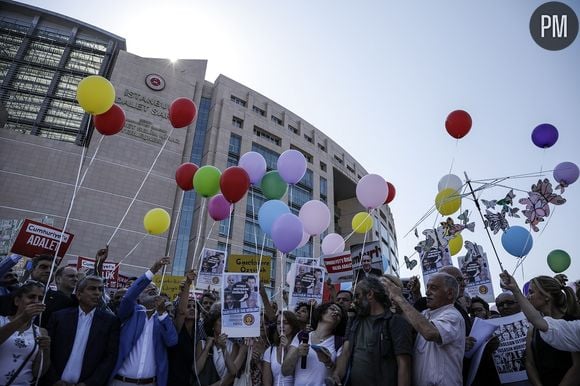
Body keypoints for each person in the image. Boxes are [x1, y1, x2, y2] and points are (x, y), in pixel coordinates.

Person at [500, 271, 580, 386]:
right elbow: (530, 363)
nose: (528, 297)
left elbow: (577, 367)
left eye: (531, 292)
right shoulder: (533, 328)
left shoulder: (571, 323)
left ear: (547, 296)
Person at [385, 273, 465, 386]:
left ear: (450, 293)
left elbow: (430, 333)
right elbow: (410, 321)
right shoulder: (426, 314)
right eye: (427, 287)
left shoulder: (453, 316)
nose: (427, 292)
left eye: (434, 288)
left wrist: (400, 298)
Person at [110, 257, 178, 386]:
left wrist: (162, 314)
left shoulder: (163, 319)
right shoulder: (130, 313)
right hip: (121, 382)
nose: (152, 289)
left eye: (155, 289)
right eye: (147, 287)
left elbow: (172, 341)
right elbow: (129, 296)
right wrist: (153, 270)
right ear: (138, 297)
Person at [334, 276, 412, 386]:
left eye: (357, 296)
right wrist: (337, 375)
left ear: (370, 294)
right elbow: (346, 353)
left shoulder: (396, 322)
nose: (354, 301)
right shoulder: (354, 321)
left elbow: (404, 365)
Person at [44, 275, 120, 386]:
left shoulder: (110, 322)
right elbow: (46, 351)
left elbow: (110, 358)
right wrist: (54, 380)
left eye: (100, 289)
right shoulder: (59, 317)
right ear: (79, 294)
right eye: (92, 289)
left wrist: (89, 383)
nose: (97, 293)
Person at [281, 302, 347, 386]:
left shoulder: (340, 342)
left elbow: (338, 378)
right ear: (322, 312)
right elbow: (285, 371)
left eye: (339, 314)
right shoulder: (301, 336)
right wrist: (297, 353)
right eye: (332, 309)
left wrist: (328, 362)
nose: (336, 312)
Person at [0, 281, 51, 385]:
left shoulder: (41, 332)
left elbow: (38, 373)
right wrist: (22, 318)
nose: (36, 301)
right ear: (17, 301)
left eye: (40, 298)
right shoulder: (1, 321)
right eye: (31, 297)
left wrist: (45, 350)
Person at [194, 310, 246, 386]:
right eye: (221, 321)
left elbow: (232, 373)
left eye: (226, 321)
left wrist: (224, 348)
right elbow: (196, 370)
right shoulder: (202, 343)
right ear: (212, 325)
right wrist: (207, 347)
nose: (224, 324)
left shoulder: (233, 346)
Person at [168, 269, 198, 386]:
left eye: (194, 306)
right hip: (172, 379)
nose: (191, 308)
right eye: (188, 306)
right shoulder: (178, 327)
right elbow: (181, 312)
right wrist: (187, 284)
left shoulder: (198, 333)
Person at [262, 311, 301, 386]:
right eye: (279, 323)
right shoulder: (270, 351)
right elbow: (267, 381)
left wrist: (288, 349)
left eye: (285, 323)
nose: (281, 326)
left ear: (293, 325)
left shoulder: (300, 347)